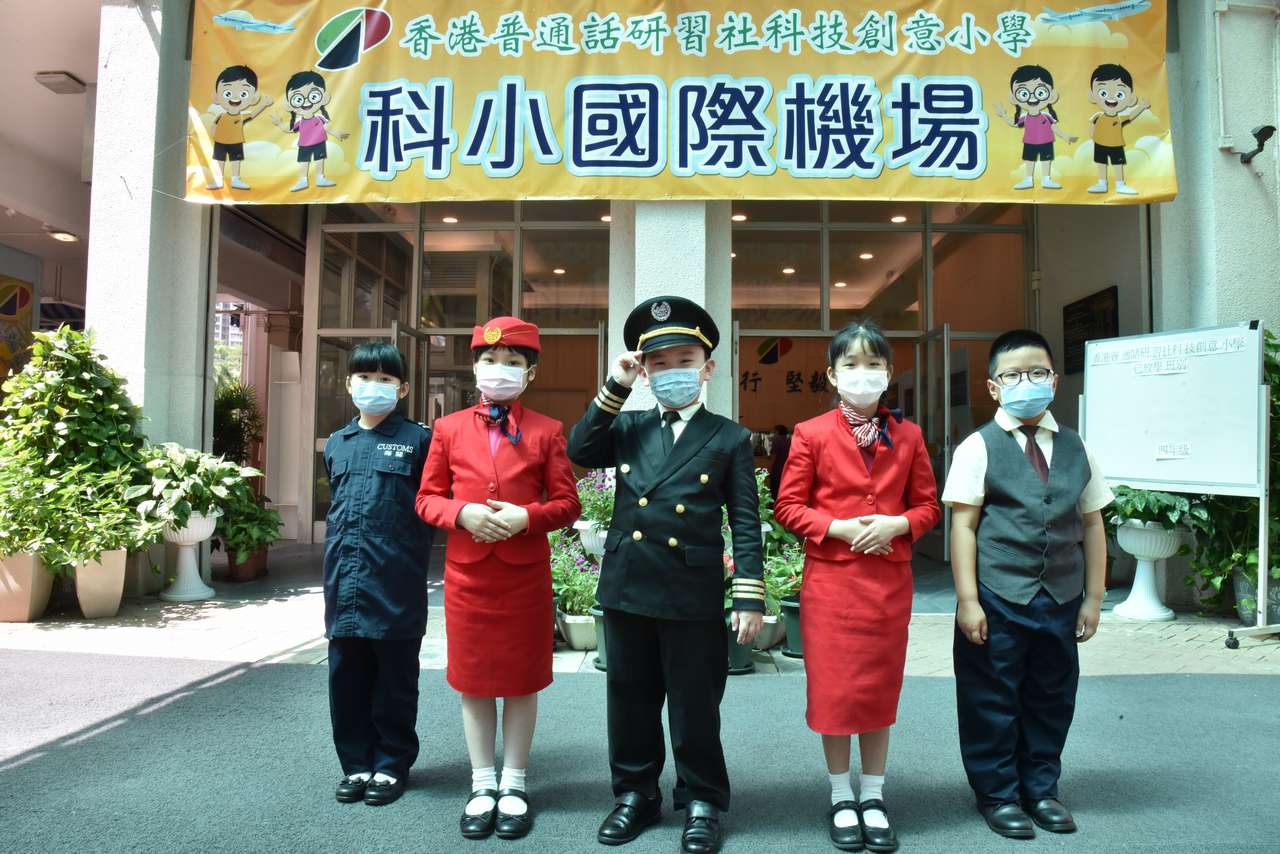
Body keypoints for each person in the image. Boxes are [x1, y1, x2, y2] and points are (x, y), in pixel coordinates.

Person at [567, 296, 764, 854]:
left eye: (684, 360)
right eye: (659, 363)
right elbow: (580, 448)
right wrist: (617, 384)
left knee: (694, 702)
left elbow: (744, 521)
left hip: (690, 589)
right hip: (629, 584)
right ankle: (635, 794)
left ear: (707, 367)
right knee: (629, 698)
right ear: (646, 371)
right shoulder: (628, 426)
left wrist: (748, 596)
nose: (672, 371)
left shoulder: (728, 437)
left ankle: (702, 799)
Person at [773, 320, 940, 853]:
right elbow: (787, 507)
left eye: (873, 364)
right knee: (835, 692)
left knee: (878, 691)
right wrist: (839, 528)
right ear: (832, 374)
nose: (862, 374)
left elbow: (929, 506)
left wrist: (898, 524)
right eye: (851, 364)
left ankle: (874, 794)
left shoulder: (909, 435)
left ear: (889, 373)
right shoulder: (811, 433)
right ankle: (840, 794)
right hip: (832, 585)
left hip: (887, 587)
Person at [942, 330, 1113, 840]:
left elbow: (1092, 524)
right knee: (991, 698)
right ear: (993, 387)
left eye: (1036, 372)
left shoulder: (1077, 447)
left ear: (1053, 381)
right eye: (1013, 375)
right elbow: (963, 527)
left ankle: (1041, 789)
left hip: (1060, 596)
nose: (1026, 382)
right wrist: (968, 600)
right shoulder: (977, 447)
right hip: (998, 596)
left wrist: (1095, 597)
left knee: (1052, 696)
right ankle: (997, 794)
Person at [414, 316, 580, 841]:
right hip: (468, 578)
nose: (499, 369)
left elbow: (567, 504)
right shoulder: (447, 428)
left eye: (512, 362)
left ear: (530, 374)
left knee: (522, 681)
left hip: (524, 577)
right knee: (474, 681)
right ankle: (482, 783)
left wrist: (526, 517)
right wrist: (460, 513)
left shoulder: (547, 430)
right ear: (475, 367)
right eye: (489, 360)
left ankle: (515, 782)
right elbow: (426, 498)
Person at [322, 343, 435, 807]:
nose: (374, 386)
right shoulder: (337, 443)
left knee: (395, 681)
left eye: (386, 379)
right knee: (346, 677)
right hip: (343, 582)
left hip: (395, 580)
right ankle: (356, 764)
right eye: (365, 377)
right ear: (349, 383)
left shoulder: (419, 441)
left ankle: (391, 765)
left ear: (402, 388)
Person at [767, 424, 791, 501]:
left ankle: (774, 507)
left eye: (773, 431)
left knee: (774, 493)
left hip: (777, 471)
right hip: (787, 471)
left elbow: (774, 456)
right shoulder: (789, 441)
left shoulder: (776, 440)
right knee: (784, 493)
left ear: (777, 431)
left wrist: (770, 469)